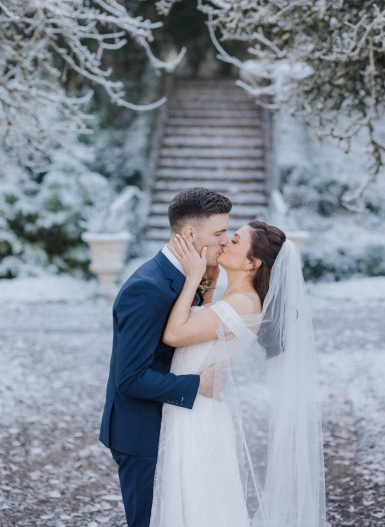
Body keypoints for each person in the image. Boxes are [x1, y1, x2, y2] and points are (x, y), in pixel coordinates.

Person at [150, 221, 326, 527]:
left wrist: (193, 277)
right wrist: (207, 283)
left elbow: (175, 335)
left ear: (251, 263)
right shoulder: (234, 299)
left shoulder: (242, 304)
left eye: (235, 241)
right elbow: (203, 330)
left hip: (197, 417)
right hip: (194, 408)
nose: (225, 242)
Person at [99, 187, 232, 527]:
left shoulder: (185, 277)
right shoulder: (149, 287)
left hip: (171, 425)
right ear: (189, 233)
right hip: (142, 432)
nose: (225, 241)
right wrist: (198, 384)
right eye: (219, 232)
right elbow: (130, 378)